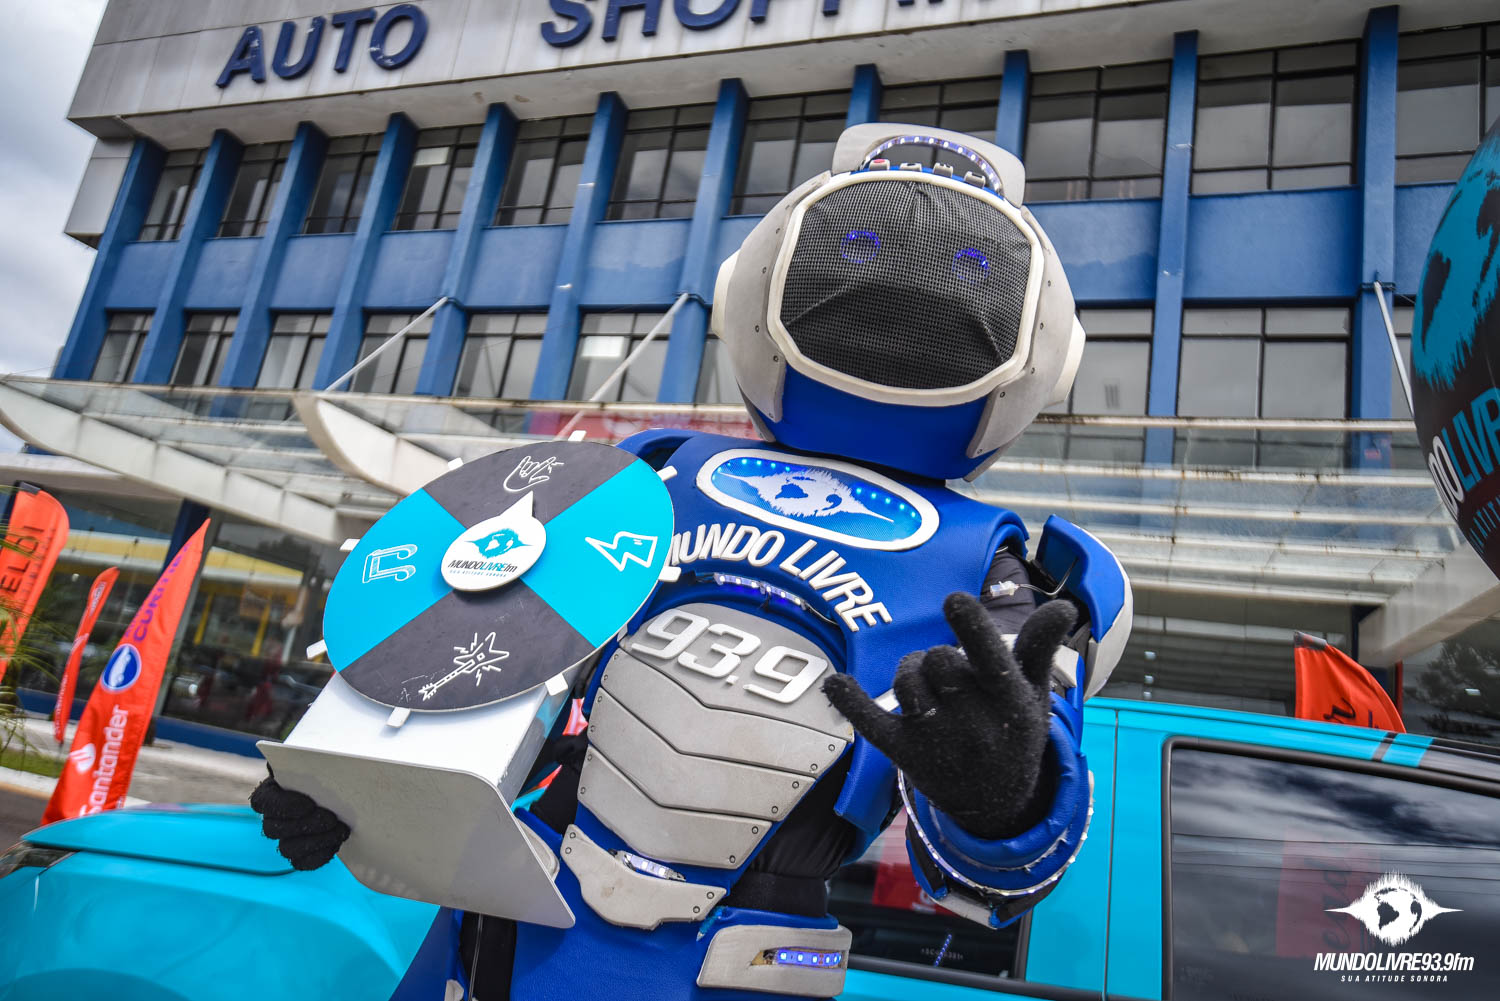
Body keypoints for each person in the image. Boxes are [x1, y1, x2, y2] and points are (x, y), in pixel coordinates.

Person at [252, 122, 1131, 1001]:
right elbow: (478, 638)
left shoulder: (999, 569)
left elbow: (999, 878)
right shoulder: (656, 472)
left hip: (739, 963)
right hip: (506, 929)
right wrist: (357, 782)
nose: (903, 291)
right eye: (860, 249)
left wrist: (1000, 798)